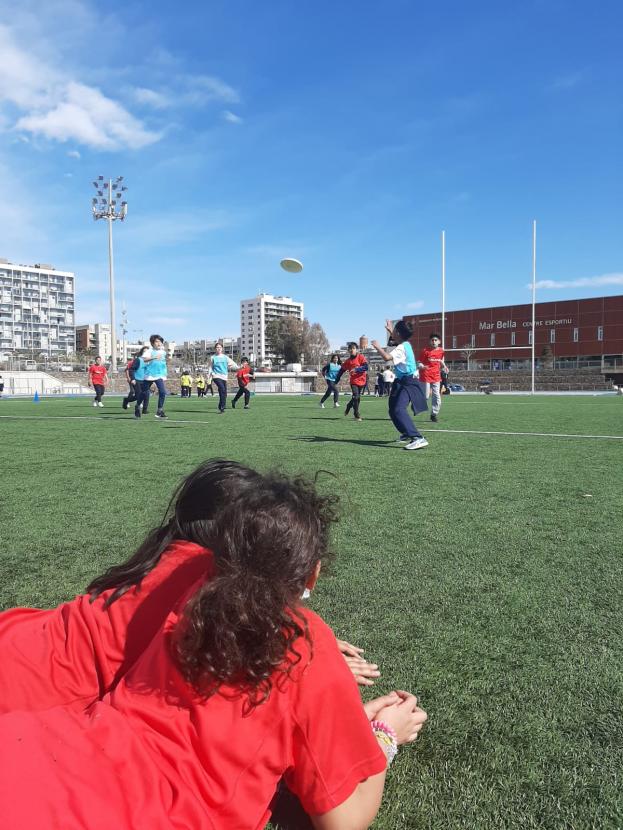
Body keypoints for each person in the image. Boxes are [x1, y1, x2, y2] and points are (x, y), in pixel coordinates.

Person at [0, 460, 426, 829]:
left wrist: (339, 719)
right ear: (312, 574)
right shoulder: (307, 650)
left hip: (36, 748)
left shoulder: (191, 596)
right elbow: (344, 819)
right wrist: (382, 735)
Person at [372, 320, 429, 451]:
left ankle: (418, 438)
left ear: (398, 333)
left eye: (394, 332)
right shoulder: (405, 344)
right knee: (392, 409)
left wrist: (377, 347)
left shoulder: (402, 347)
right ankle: (406, 432)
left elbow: (387, 357)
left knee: (398, 409)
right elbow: (398, 340)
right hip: (401, 381)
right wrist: (391, 330)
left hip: (409, 382)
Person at [418, 333, 447, 423]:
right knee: (426, 396)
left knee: (437, 396)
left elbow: (440, 361)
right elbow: (419, 363)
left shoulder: (441, 351)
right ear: (430, 342)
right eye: (432, 340)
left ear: (439, 342)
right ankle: (416, 404)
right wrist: (422, 366)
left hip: (436, 376)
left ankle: (434, 414)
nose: (434, 341)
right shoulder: (425, 351)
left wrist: (444, 366)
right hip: (426, 375)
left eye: (435, 340)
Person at [335, 342, 368, 421]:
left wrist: (356, 369)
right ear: (348, 351)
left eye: (353, 348)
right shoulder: (348, 361)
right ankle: (356, 415)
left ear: (356, 349)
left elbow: (366, 367)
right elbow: (341, 371)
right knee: (356, 397)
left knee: (357, 397)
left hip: (362, 380)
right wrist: (336, 381)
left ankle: (349, 405)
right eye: (350, 349)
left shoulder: (361, 357)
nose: (352, 350)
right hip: (353, 381)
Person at [143, 334, 168, 419]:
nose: (159, 343)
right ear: (152, 343)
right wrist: (153, 358)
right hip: (149, 374)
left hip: (159, 375)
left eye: (160, 341)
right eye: (157, 341)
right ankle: (138, 407)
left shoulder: (163, 352)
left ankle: (159, 410)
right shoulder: (149, 351)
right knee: (144, 393)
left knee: (162, 391)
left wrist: (164, 372)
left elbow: (163, 362)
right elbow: (144, 359)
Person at [210, 342, 238, 413]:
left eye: (220, 347)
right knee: (222, 389)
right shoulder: (213, 357)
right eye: (217, 347)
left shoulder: (225, 357)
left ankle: (220, 405)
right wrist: (210, 376)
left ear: (222, 348)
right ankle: (222, 407)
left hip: (224, 376)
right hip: (216, 376)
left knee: (224, 393)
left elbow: (234, 364)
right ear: (215, 349)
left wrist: (236, 367)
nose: (218, 348)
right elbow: (210, 367)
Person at [127, 346, 150, 419]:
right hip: (137, 380)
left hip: (145, 380)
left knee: (146, 394)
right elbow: (131, 369)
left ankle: (144, 410)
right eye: (144, 352)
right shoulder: (138, 360)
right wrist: (132, 379)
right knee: (140, 394)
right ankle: (137, 409)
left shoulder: (150, 361)